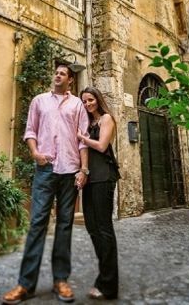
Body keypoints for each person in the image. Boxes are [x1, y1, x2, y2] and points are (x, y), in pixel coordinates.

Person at [2, 62, 89, 304]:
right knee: (37, 222)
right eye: (57, 73)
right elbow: (30, 131)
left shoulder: (77, 104)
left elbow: (83, 140)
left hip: (70, 171)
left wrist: (83, 169)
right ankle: (25, 284)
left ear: (70, 80)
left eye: (63, 74)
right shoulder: (39, 101)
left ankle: (61, 280)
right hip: (45, 169)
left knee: (64, 225)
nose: (58, 76)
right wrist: (35, 153)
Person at [78, 87, 120, 300]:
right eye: (84, 101)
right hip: (90, 179)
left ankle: (109, 285)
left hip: (104, 176)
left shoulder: (106, 119)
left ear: (98, 99)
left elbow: (102, 146)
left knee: (104, 228)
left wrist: (81, 138)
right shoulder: (87, 123)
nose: (87, 104)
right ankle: (104, 276)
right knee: (92, 227)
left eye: (90, 100)